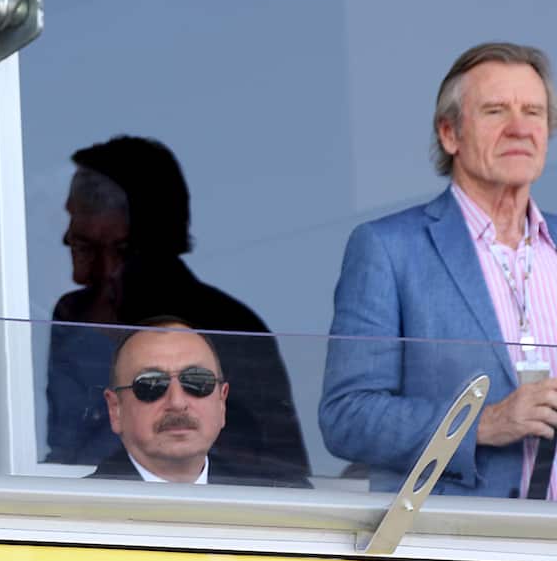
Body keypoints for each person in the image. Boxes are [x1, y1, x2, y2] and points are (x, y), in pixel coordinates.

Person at [321, 41, 557, 498]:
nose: (519, 128)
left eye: (534, 111)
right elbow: (346, 417)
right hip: (455, 549)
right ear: (450, 134)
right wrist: (483, 422)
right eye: (495, 112)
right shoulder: (389, 249)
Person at [47, 135, 310, 485]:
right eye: (149, 385)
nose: (67, 233)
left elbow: (283, 473)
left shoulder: (230, 324)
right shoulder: (73, 314)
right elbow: (63, 448)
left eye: (197, 383)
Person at [91, 318, 310, 487]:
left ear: (222, 401)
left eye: (197, 381)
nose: (177, 402)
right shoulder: (76, 511)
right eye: (151, 384)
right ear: (115, 409)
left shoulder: (283, 501)